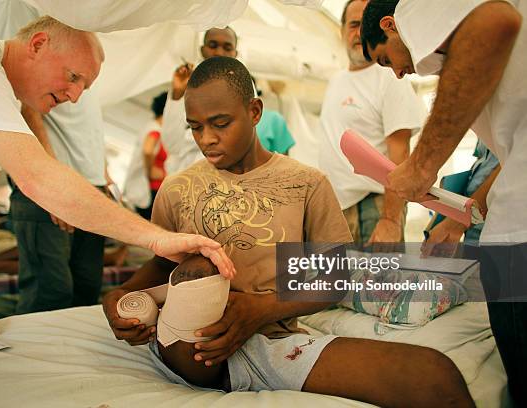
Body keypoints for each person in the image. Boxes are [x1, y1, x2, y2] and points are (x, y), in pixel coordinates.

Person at [103, 56, 475, 407]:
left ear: (254, 112)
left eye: (220, 123)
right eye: (195, 127)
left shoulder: (305, 184)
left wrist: (261, 310)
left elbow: (337, 276)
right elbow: (160, 265)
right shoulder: (177, 189)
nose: (206, 139)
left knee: (433, 375)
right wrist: (117, 297)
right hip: (193, 345)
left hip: (270, 340)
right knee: (199, 268)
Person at [0, 17, 235, 340]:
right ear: (38, 44)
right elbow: (35, 177)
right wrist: (158, 238)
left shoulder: (3, 101)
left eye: (84, 86)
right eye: (73, 77)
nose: (75, 96)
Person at [360, 0, 525, 404]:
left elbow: (494, 20)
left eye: (386, 59)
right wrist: (462, 216)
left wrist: (421, 165)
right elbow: (513, 155)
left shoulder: (419, 7)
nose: (399, 73)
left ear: (392, 24)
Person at [0, 0, 110, 313]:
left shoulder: (80, 20)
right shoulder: (19, 4)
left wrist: (102, 172)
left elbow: (87, 114)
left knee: (85, 293)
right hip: (53, 182)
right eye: (73, 80)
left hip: (89, 183)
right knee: (50, 295)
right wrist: (50, 179)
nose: (74, 94)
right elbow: (18, 85)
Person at [318, 0, 425, 244]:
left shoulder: (391, 77)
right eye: (353, 24)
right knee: (342, 282)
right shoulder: (336, 81)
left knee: (378, 282)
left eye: (364, 25)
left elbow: (400, 153)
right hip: (337, 207)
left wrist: (390, 219)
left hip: (374, 205)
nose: (359, 33)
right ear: (342, 30)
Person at [161, 26, 295, 174]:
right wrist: (178, 95)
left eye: (227, 47)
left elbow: (245, 143)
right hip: (191, 179)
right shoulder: (188, 85)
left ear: (235, 53)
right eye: (213, 46)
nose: (219, 52)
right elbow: (172, 144)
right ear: (202, 50)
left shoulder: (243, 85)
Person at [138, 91, 168, 220]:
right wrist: (149, 171)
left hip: (154, 190)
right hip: (152, 191)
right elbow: (147, 150)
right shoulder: (156, 129)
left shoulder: (152, 126)